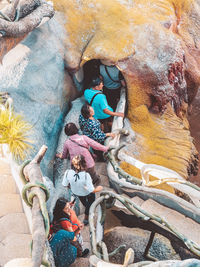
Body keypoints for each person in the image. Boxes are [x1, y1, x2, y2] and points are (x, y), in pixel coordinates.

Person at [62, 155, 103, 225]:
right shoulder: (86, 176)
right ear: (84, 164)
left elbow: (65, 185)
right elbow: (92, 190)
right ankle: (86, 218)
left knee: (84, 201)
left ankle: (87, 207)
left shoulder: (68, 172)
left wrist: (74, 185)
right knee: (91, 202)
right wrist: (99, 188)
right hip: (87, 192)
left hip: (76, 192)